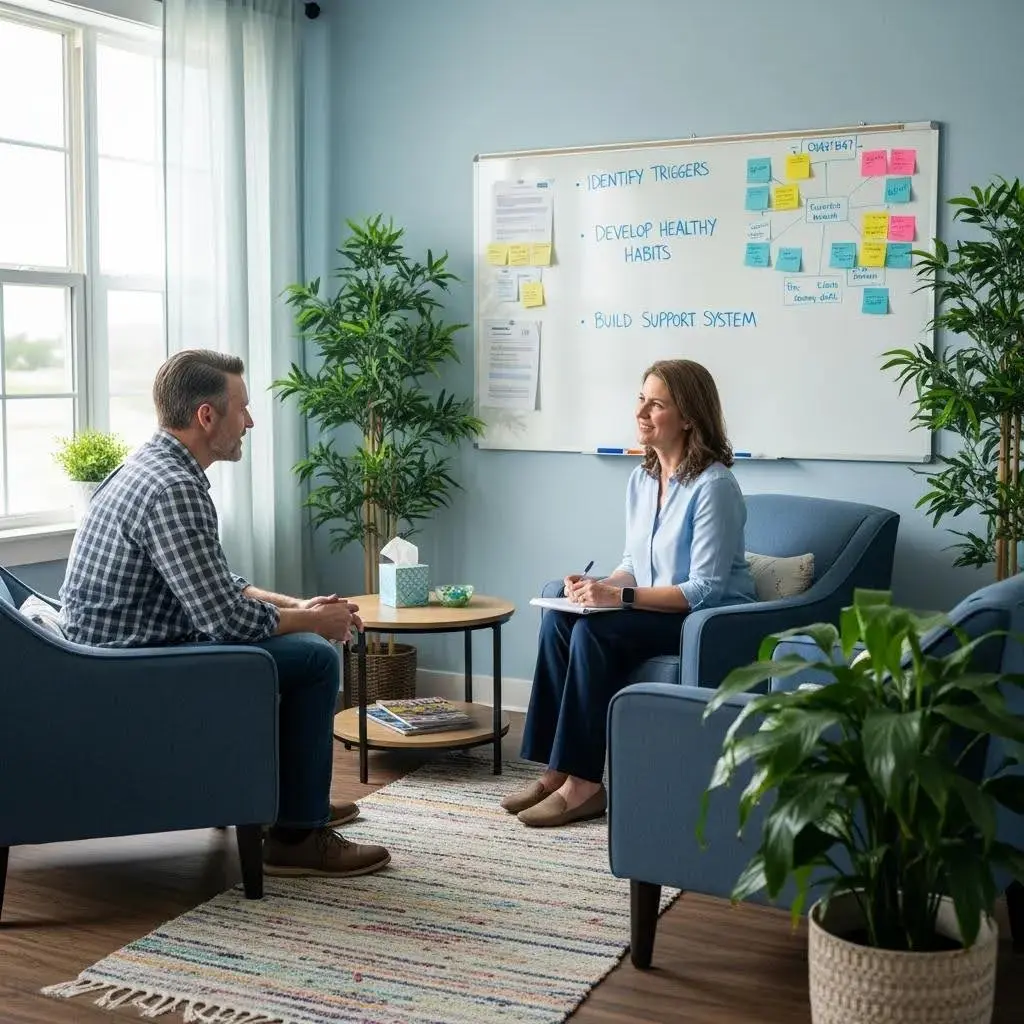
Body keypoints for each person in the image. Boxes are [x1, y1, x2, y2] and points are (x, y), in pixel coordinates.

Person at [60, 349, 391, 878]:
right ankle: (297, 835)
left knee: (301, 641)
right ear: (206, 416)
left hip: (110, 657)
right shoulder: (174, 489)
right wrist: (317, 624)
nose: (251, 421)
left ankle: (287, 805)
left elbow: (216, 586)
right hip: (127, 672)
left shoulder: (148, 468)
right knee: (314, 658)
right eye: (242, 407)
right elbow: (226, 622)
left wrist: (295, 605)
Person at [501, 359, 757, 828]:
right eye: (641, 399)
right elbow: (635, 565)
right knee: (560, 608)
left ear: (688, 417)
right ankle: (556, 770)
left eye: (656, 403)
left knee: (593, 634)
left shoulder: (714, 485)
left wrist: (617, 600)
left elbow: (704, 589)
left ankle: (585, 786)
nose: (642, 411)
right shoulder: (641, 480)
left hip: (706, 622)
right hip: (658, 610)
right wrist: (597, 586)